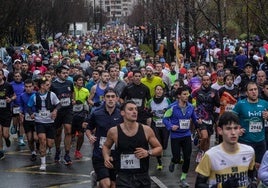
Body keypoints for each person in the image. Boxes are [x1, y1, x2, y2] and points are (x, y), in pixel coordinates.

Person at [102, 101, 162, 188]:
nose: (134, 112)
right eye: (130, 109)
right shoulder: (114, 131)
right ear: (122, 113)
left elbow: (159, 148)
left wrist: (148, 152)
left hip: (142, 176)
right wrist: (106, 157)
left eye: (136, 109)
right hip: (123, 177)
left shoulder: (146, 130)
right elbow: (106, 146)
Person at [195, 112, 257, 188]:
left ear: (240, 129)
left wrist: (253, 182)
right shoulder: (210, 155)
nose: (233, 133)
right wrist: (221, 186)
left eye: (236, 128)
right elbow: (198, 185)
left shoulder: (249, 151)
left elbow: (252, 172)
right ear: (220, 130)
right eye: (228, 129)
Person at [83, 88, 123, 188]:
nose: (110, 99)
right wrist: (90, 136)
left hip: (115, 154)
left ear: (117, 99)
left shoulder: (121, 114)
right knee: (106, 184)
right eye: (108, 97)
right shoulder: (96, 113)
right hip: (99, 154)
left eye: (113, 97)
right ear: (104, 98)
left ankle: (96, 177)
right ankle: (99, 177)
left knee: (113, 185)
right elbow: (88, 128)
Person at [163, 86, 201, 188]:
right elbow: (165, 119)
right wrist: (171, 126)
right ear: (179, 96)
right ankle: (173, 161)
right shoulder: (172, 107)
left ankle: (183, 178)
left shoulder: (190, 107)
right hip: (175, 136)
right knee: (176, 157)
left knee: (187, 157)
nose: (186, 96)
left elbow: (195, 118)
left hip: (186, 135)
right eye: (184, 94)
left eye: (187, 94)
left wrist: (198, 121)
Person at [27, 77, 60, 170]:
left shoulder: (52, 94)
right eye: (47, 85)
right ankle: (43, 163)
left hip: (50, 122)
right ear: (42, 86)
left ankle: (48, 149)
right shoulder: (34, 96)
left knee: (50, 143)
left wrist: (55, 111)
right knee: (42, 140)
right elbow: (29, 107)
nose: (49, 86)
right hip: (39, 121)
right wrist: (31, 114)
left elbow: (59, 104)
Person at [233, 81, 268, 168]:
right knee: (246, 166)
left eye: (255, 89)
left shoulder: (265, 103)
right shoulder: (240, 104)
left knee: (260, 166)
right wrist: (237, 129)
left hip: (260, 140)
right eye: (251, 90)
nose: (254, 92)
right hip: (245, 140)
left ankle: (258, 181)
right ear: (246, 92)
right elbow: (231, 119)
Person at [192, 75, 220, 163]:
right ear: (202, 82)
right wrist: (196, 115)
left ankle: (205, 154)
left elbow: (218, 105)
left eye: (208, 80)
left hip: (210, 117)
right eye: (204, 80)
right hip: (200, 117)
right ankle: (200, 151)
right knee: (204, 137)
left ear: (210, 81)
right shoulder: (197, 91)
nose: (206, 82)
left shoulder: (214, 91)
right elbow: (191, 100)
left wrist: (214, 98)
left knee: (207, 139)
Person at [50, 65, 74, 165]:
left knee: (68, 130)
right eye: (63, 73)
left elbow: (72, 93)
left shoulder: (69, 82)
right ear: (58, 74)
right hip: (58, 111)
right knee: (58, 133)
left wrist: (72, 99)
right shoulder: (53, 85)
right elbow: (50, 98)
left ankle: (67, 154)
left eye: (67, 72)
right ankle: (58, 150)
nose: (66, 74)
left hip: (68, 110)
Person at [147, 85, 170, 170]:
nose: (159, 91)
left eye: (161, 90)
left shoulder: (166, 100)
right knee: (157, 143)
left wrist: (166, 112)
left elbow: (171, 110)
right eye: (157, 89)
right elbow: (147, 110)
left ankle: (162, 151)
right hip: (155, 123)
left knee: (164, 145)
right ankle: (159, 162)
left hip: (165, 124)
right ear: (155, 91)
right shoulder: (150, 101)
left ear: (163, 91)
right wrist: (150, 112)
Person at [19, 79, 38, 161]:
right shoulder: (22, 96)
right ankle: (33, 152)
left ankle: (38, 144)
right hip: (27, 119)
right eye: (26, 87)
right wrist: (20, 112)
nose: (28, 88)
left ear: (33, 87)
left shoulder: (36, 94)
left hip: (36, 118)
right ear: (24, 87)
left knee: (36, 138)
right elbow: (21, 106)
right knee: (30, 139)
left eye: (30, 87)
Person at [72, 75, 90, 159]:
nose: (81, 82)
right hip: (71, 114)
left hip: (81, 114)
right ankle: (67, 151)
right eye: (79, 80)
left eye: (82, 80)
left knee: (81, 134)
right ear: (75, 82)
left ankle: (77, 151)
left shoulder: (86, 90)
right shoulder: (72, 89)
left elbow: (88, 101)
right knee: (70, 134)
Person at [0, 69, 15, 159]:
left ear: (2, 76)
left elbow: (14, 95)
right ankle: (1, 151)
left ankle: (6, 138)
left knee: (5, 134)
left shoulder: (8, 85)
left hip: (6, 112)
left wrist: (11, 99)